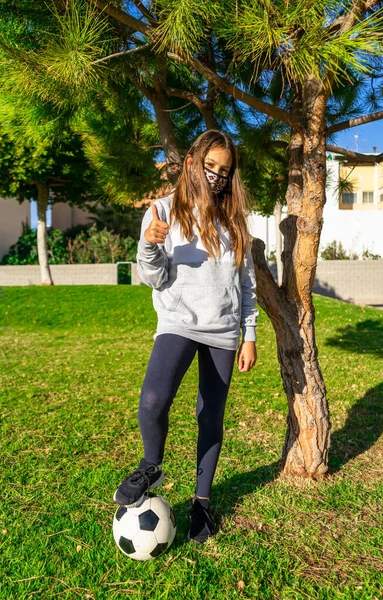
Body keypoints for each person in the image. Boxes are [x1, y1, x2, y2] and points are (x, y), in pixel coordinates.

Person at [113, 129, 259, 543]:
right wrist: (149, 244)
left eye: (224, 171)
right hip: (177, 322)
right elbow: (154, 279)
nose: (216, 176)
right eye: (209, 166)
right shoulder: (162, 211)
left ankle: (202, 503)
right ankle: (151, 465)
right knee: (153, 400)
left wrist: (249, 334)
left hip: (224, 331)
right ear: (192, 162)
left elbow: (246, 284)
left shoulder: (233, 220)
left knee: (209, 417)